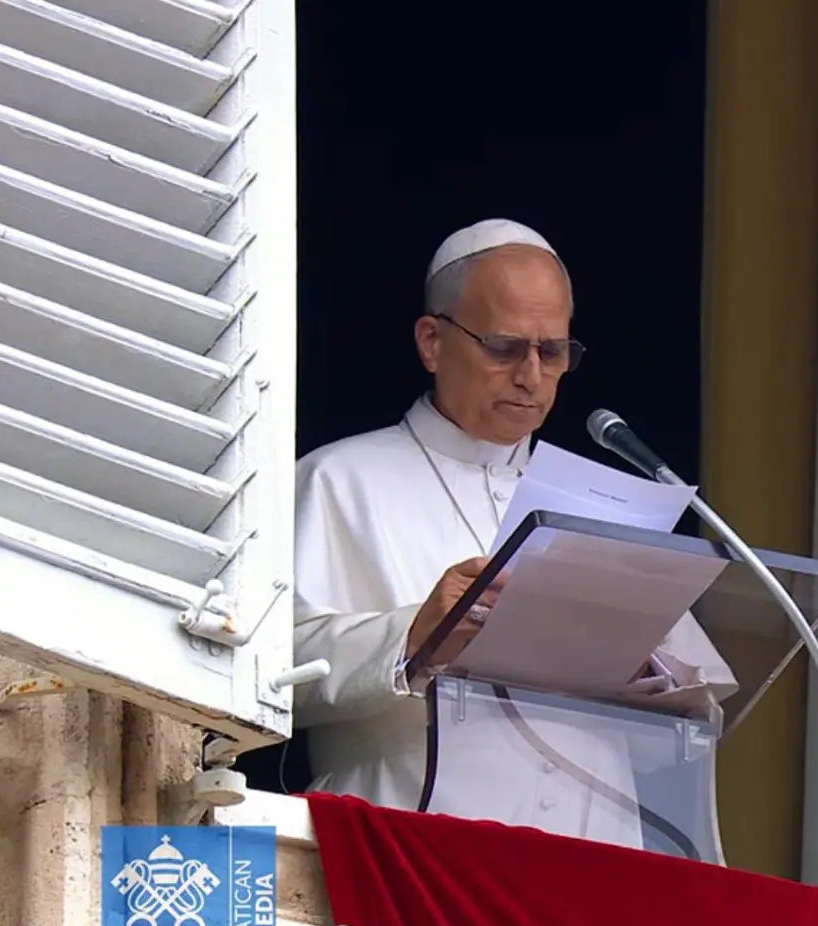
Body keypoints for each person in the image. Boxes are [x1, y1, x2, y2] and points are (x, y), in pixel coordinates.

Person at [292, 218, 736, 849]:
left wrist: (649, 667)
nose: (531, 376)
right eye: (504, 348)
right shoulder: (337, 479)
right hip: (411, 847)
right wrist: (412, 635)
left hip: (594, 858)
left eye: (552, 352)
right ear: (431, 341)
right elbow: (266, 675)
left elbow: (694, 705)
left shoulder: (609, 506)